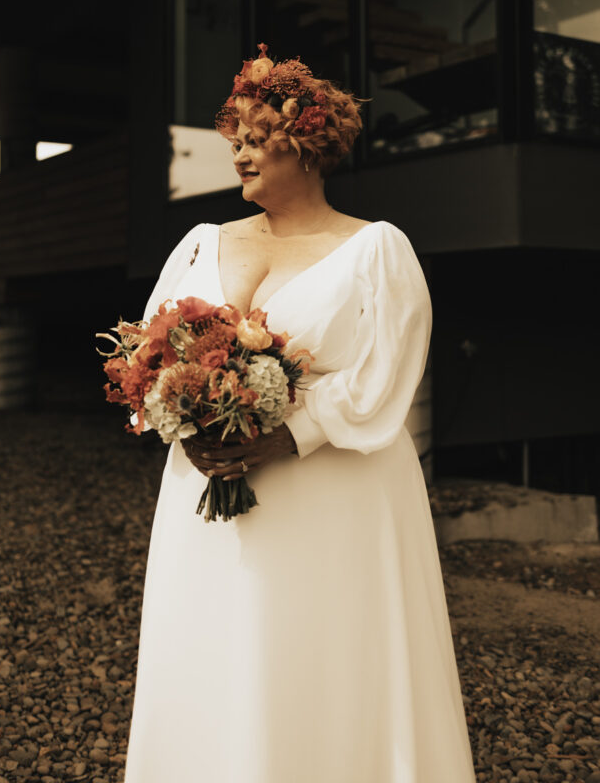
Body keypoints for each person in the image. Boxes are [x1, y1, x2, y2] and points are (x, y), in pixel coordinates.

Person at [123, 44, 477, 782]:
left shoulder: (375, 251)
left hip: (332, 497)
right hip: (205, 496)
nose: (241, 158)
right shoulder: (200, 246)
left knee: (322, 655)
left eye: (257, 141)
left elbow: (386, 377)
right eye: (237, 143)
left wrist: (290, 433)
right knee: (217, 650)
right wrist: (178, 411)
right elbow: (150, 351)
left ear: (308, 145)